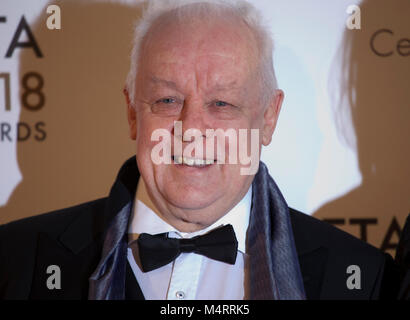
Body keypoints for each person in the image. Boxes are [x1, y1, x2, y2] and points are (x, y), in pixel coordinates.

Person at [0, 0, 399, 300]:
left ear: (269, 118)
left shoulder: (363, 279)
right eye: (167, 100)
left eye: (222, 104)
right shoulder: (15, 259)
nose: (191, 129)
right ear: (132, 112)